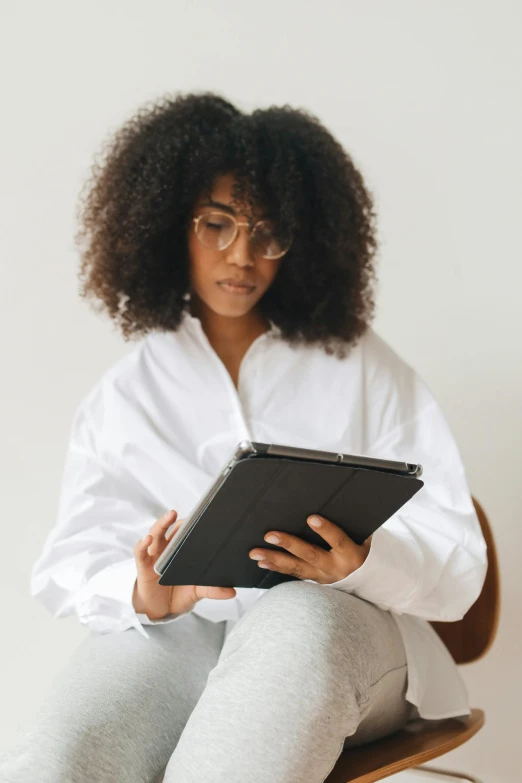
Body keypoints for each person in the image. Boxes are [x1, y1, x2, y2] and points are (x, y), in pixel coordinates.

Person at [0, 91, 488, 783]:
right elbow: (69, 560)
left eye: (268, 231)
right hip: (190, 635)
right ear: (169, 224)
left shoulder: (361, 366)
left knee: (290, 638)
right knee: (61, 755)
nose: (243, 254)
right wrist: (144, 591)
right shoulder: (128, 393)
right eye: (216, 223)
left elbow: (460, 563)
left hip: (345, 633)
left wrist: (362, 561)